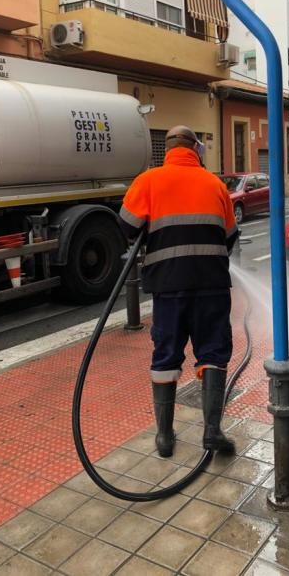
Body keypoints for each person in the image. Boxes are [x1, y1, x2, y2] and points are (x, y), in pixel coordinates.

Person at [119, 125, 238, 457]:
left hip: (168, 289)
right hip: (212, 286)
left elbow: (126, 226)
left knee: (166, 356)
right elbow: (229, 236)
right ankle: (212, 431)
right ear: (195, 148)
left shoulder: (148, 181)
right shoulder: (215, 183)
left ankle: (164, 436)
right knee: (213, 353)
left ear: (168, 149)